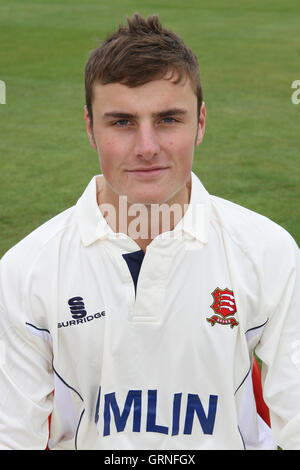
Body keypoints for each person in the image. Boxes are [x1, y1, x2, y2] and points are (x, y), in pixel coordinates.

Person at [0, 13, 299, 451]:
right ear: (89, 128)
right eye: (121, 122)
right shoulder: (25, 271)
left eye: (168, 120)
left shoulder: (268, 251)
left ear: (200, 124)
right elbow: (13, 435)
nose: (146, 147)